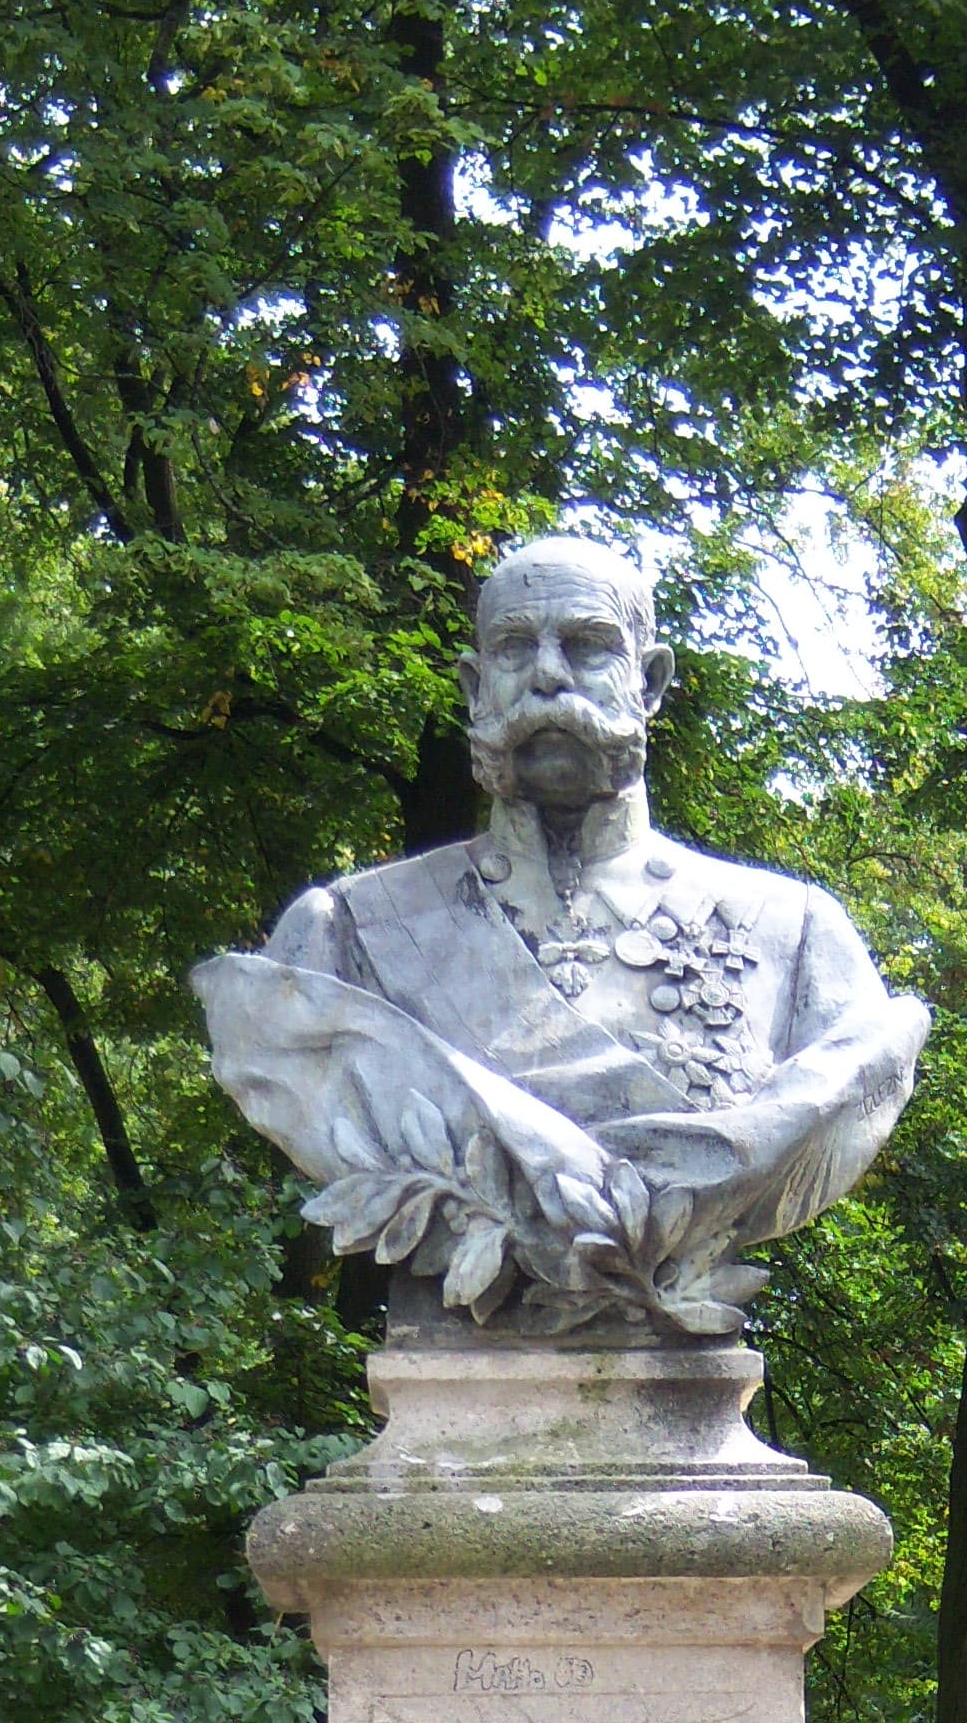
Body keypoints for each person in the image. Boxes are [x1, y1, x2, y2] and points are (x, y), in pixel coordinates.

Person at [195, 534, 927, 1338]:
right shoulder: (344, 937)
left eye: (586, 645)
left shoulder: (796, 937)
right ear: (475, 686)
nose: (547, 676)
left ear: (651, 681)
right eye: (515, 649)